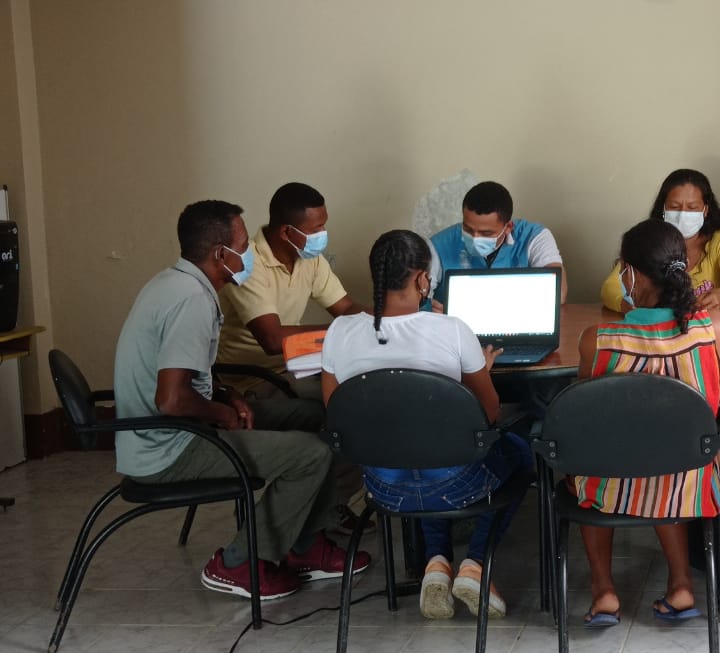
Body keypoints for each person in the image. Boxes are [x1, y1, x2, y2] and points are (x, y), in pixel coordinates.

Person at [113, 200, 367, 601]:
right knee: (312, 454)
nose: (249, 253)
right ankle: (237, 562)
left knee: (320, 414)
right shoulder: (191, 299)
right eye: (244, 245)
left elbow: (188, 374)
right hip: (168, 448)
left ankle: (304, 543)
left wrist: (227, 395)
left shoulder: (176, 283)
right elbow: (171, 399)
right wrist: (223, 414)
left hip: (178, 429)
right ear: (221, 254)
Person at [320, 229, 530, 620]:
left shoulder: (339, 332)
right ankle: (475, 565)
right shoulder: (451, 329)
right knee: (519, 451)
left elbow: (337, 416)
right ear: (422, 280)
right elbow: (488, 415)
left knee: (418, 448)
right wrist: (478, 371)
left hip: (383, 490)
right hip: (456, 486)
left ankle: (436, 562)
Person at [575, 219, 720, 626]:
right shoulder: (717, 328)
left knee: (587, 461)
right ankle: (682, 584)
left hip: (612, 484)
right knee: (665, 455)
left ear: (631, 274)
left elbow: (583, 415)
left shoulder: (597, 339)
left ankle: (604, 591)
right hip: (689, 481)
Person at [217, 182, 365, 402]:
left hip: (296, 367)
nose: (323, 234)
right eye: (316, 229)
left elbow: (346, 307)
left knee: (362, 388)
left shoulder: (309, 259)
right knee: (345, 402)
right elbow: (272, 339)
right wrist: (346, 330)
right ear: (286, 232)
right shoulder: (247, 264)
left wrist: (381, 319)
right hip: (252, 380)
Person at [600, 168, 720, 312]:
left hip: (705, 328)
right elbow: (610, 287)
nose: (683, 214)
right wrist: (626, 305)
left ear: (705, 210)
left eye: (692, 207)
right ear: (663, 208)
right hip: (658, 328)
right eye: (675, 207)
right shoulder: (647, 241)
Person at [427, 180, 566, 306]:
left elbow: (558, 294)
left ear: (508, 227)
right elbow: (419, 298)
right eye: (468, 229)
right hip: (453, 324)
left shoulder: (534, 237)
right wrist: (429, 309)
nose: (475, 238)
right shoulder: (437, 245)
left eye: (486, 233)